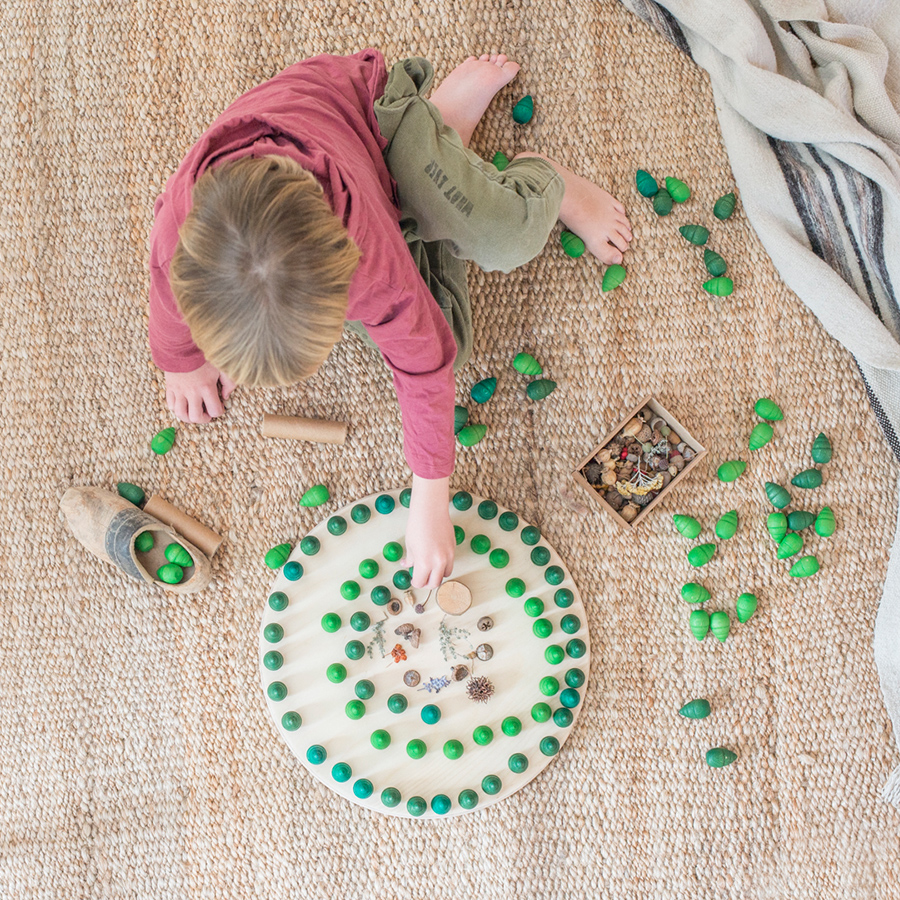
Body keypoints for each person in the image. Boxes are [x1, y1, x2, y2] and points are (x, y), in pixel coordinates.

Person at [148, 50, 632, 590]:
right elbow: (166, 297)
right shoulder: (178, 232)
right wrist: (182, 362)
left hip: (377, 125)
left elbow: (425, 364)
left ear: (345, 275)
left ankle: (523, 170)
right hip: (342, 181)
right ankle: (444, 145)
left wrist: (430, 500)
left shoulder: (371, 261)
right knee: (448, 329)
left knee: (506, 237)